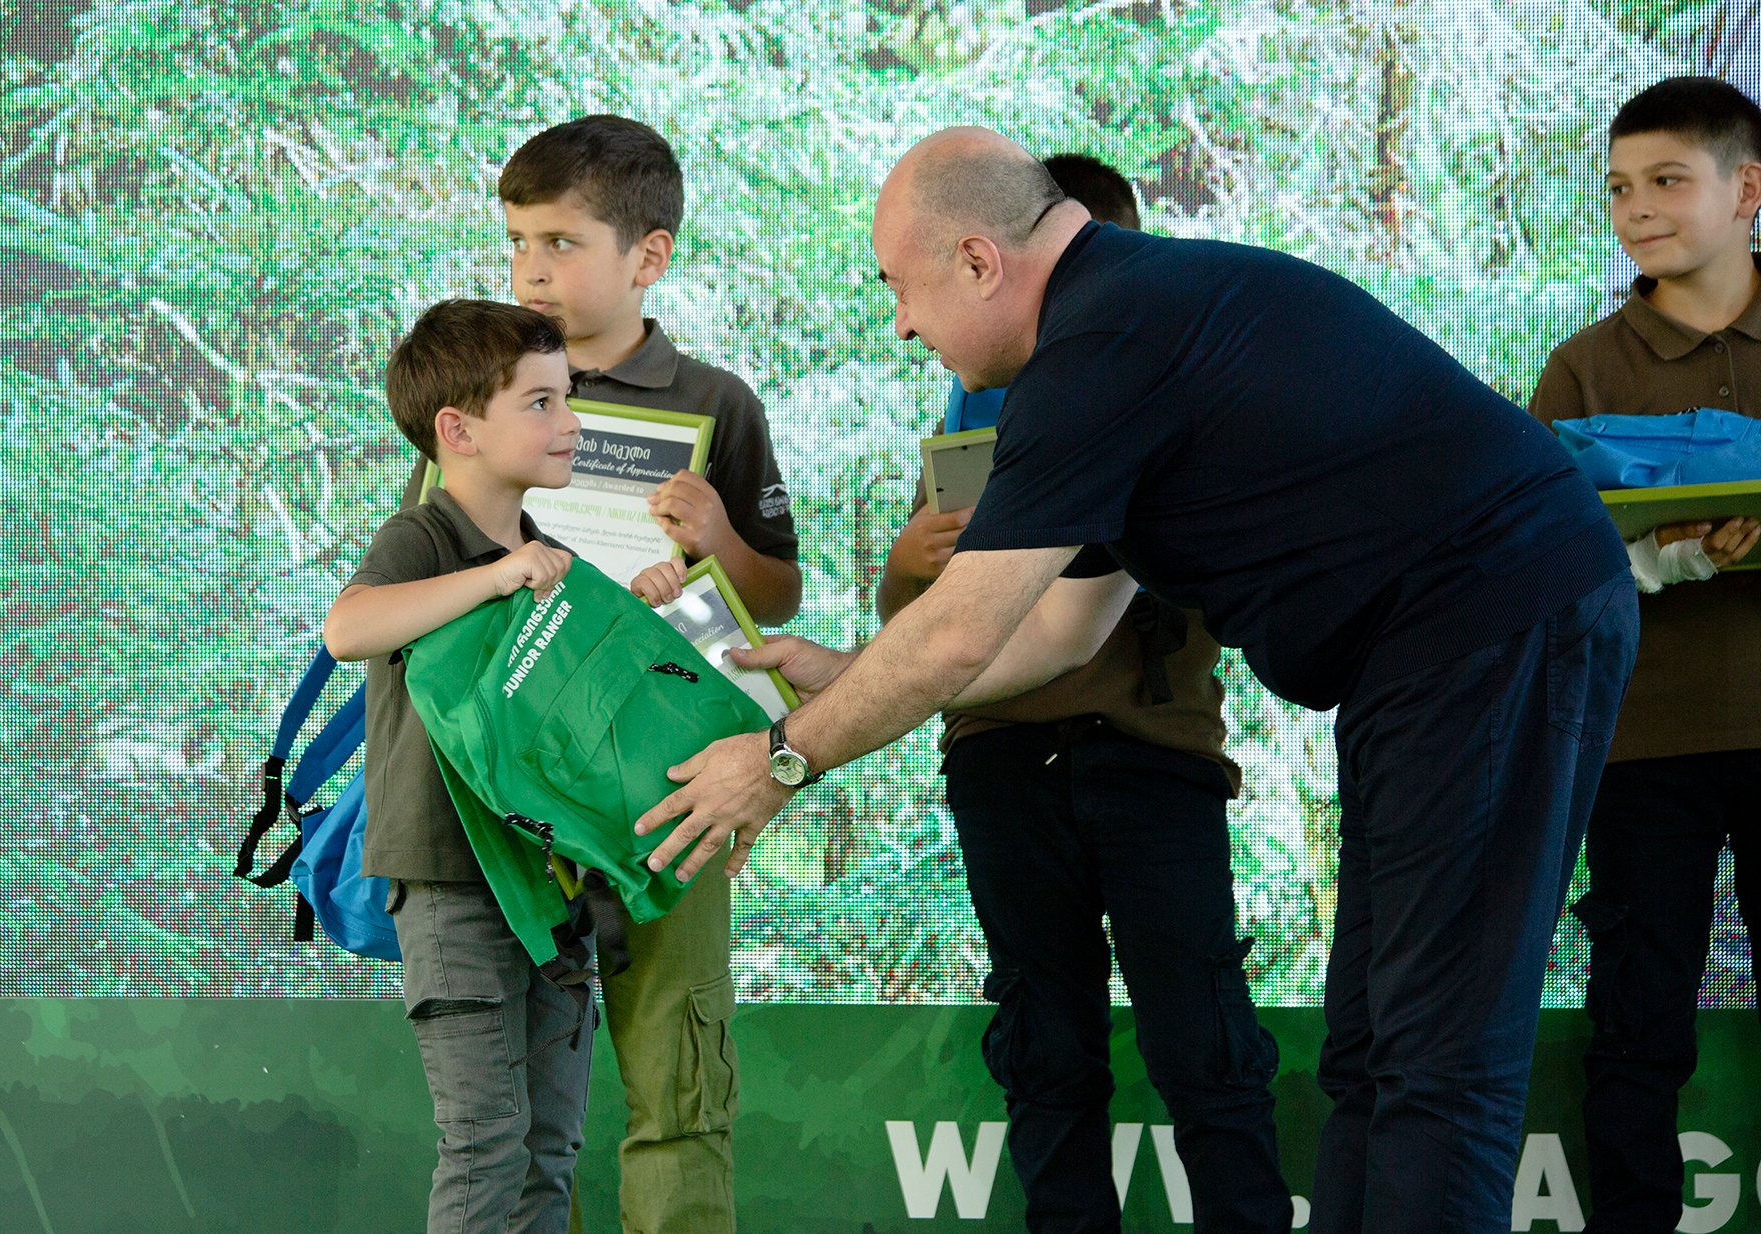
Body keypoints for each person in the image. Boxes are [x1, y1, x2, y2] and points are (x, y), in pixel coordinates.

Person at [632, 127, 1639, 1234]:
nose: (904, 325)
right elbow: (1061, 631)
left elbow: (960, 635)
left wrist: (781, 758)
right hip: (1428, 658)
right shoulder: (1120, 324)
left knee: (1437, 1060)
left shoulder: (1103, 340)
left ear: (979, 261)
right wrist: (843, 673)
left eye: (901, 289)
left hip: (1495, 623)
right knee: (1371, 1046)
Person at [879, 151, 1290, 1233]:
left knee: (1202, 1033)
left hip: (1154, 750)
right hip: (1001, 755)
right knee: (1044, 1041)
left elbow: (1195, 584)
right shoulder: (969, 428)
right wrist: (913, 561)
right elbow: (910, 630)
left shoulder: (1170, 386)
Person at [480, 114, 800, 1234]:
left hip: (671, 784)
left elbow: (777, 594)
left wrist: (719, 542)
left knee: (678, 1079)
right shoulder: (478, 387)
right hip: (516, 790)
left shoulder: (717, 402)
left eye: (560, 242)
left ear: (647, 255)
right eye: (517, 241)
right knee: (514, 1098)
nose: (530, 268)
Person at [324, 299, 672, 1234]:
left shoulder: (551, 554)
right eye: (542, 402)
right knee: (485, 1142)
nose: (572, 423)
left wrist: (635, 614)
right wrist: (494, 576)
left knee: (549, 1146)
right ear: (458, 430)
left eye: (569, 399)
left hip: (549, 887)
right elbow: (347, 628)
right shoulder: (423, 538)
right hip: (452, 882)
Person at [1530, 75, 1761, 1234]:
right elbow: (1532, 567)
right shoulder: (1581, 368)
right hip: (1637, 748)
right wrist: (1668, 557)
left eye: (1667, 180)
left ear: (1747, 189)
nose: (1638, 210)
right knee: (1635, 1027)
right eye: (1620, 188)